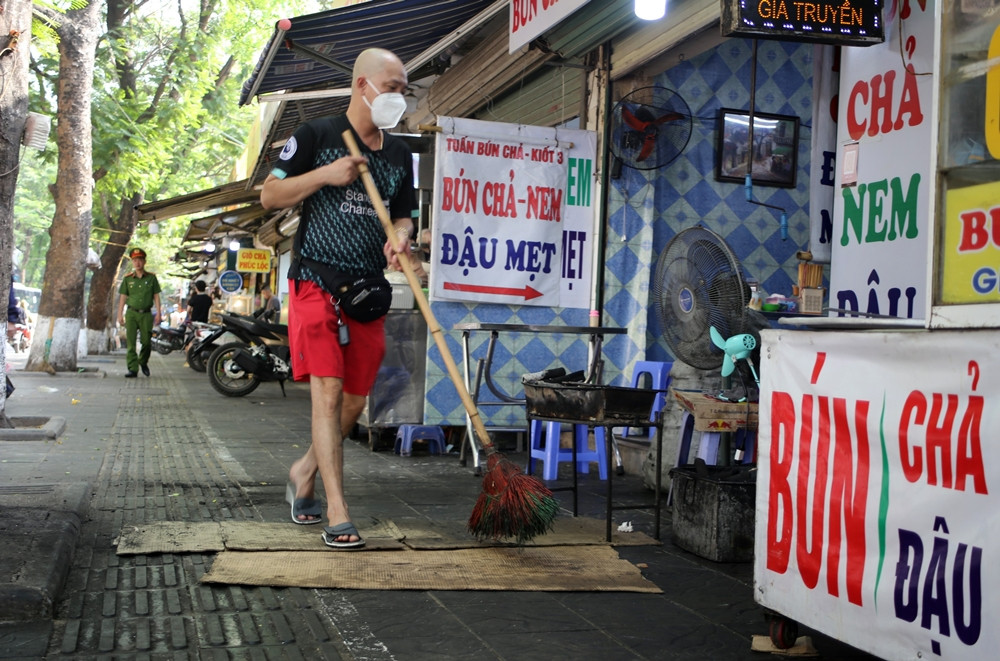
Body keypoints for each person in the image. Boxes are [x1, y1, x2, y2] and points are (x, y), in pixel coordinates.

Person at [260, 47, 415, 549]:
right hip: (315, 283)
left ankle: (305, 468)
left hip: (367, 290)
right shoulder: (317, 136)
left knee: (353, 401)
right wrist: (325, 175)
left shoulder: (396, 155)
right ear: (362, 86)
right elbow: (270, 196)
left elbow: (404, 213)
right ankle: (337, 509)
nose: (399, 97)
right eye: (392, 87)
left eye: (403, 89)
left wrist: (402, 237)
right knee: (326, 394)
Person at [117, 247, 162, 378]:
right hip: (131, 313)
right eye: (135, 260)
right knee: (130, 342)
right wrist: (120, 314)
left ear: (144, 261)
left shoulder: (152, 278)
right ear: (132, 262)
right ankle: (132, 369)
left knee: (147, 342)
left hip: (146, 314)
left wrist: (159, 313)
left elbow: (156, 296)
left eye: (140, 260)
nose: (137, 263)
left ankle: (142, 361)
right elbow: (123, 297)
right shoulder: (127, 279)